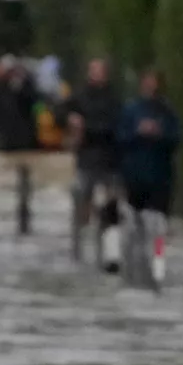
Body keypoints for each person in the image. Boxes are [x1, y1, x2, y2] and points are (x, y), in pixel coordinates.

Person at [58, 58, 124, 270]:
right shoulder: (79, 96)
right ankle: (78, 252)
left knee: (110, 209)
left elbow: (115, 126)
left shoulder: (114, 99)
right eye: (94, 71)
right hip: (86, 160)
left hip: (110, 161)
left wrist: (88, 130)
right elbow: (57, 112)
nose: (97, 75)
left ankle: (106, 251)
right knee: (81, 204)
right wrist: (70, 119)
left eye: (101, 72)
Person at [118, 69, 181, 220]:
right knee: (135, 220)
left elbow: (176, 138)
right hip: (135, 176)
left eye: (154, 82)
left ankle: (158, 245)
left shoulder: (168, 111)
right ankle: (140, 244)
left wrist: (160, 133)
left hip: (161, 176)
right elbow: (120, 138)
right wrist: (138, 132)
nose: (151, 86)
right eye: (147, 82)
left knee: (158, 222)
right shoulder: (130, 110)